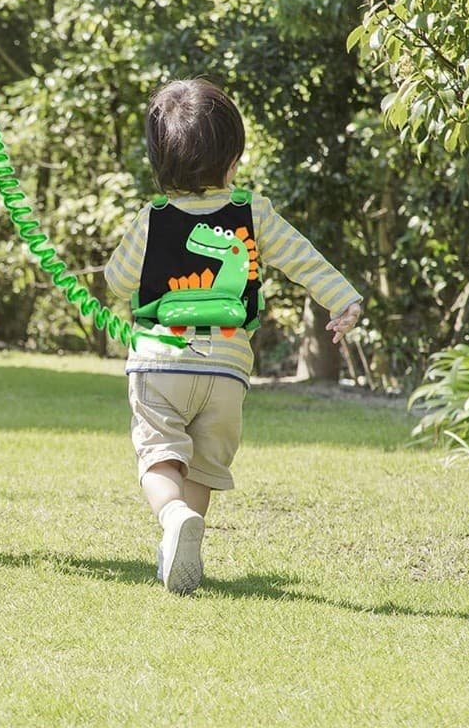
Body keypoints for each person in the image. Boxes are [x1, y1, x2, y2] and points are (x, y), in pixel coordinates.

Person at [104, 79, 362, 594]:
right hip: (225, 370)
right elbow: (300, 256)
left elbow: (117, 280)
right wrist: (342, 297)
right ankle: (180, 549)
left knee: (160, 457)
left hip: (160, 361)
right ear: (233, 155)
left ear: (159, 158)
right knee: (201, 466)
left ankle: (173, 518)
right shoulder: (253, 211)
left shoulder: (151, 219)